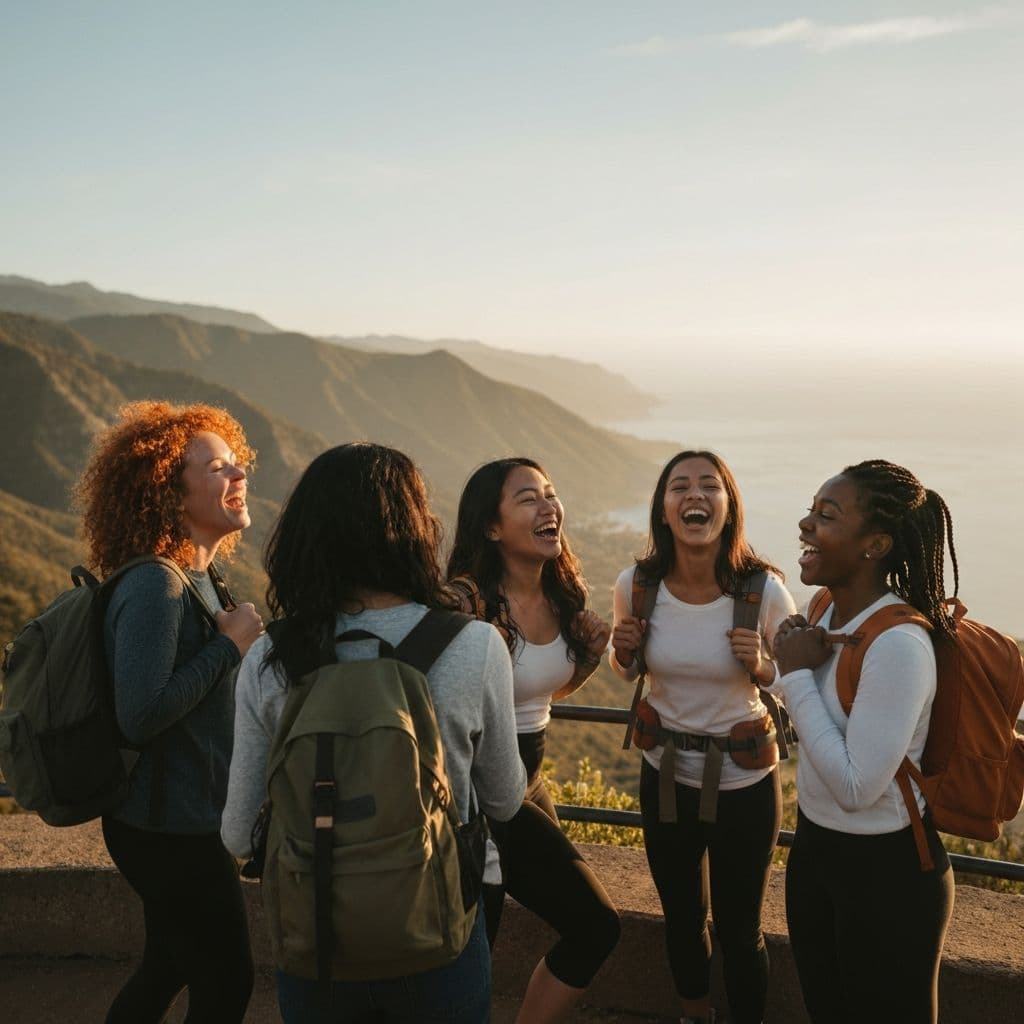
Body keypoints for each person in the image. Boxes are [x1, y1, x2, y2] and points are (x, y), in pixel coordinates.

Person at [221, 442, 526, 1024]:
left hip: (318, 945)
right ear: (414, 530)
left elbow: (238, 834)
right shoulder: (474, 645)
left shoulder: (268, 658)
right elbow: (506, 799)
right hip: (441, 936)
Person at [73, 400, 262, 1024]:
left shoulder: (206, 580)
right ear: (168, 491)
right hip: (166, 829)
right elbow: (141, 713)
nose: (238, 475)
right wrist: (228, 647)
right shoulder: (156, 586)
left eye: (236, 462)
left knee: (170, 965)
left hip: (187, 818)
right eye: (216, 466)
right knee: (229, 983)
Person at [610, 450, 796, 1024]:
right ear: (663, 510)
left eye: (709, 485)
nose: (695, 494)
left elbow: (801, 679)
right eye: (680, 486)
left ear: (728, 506)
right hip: (665, 773)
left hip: (744, 781)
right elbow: (628, 668)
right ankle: (696, 1015)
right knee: (682, 917)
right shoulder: (636, 585)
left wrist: (764, 668)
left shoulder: (760, 591)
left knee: (740, 929)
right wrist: (622, 652)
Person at [771, 459, 956, 1024]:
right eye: (811, 510)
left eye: (826, 516)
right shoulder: (825, 608)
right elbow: (813, 711)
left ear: (875, 544)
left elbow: (856, 785)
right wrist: (782, 670)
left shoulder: (899, 646)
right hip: (817, 851)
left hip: (888, 873)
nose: (806, 525)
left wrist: (795, 674)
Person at [446, 457, 621, 1024]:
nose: (549, 506)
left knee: (575, 930)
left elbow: (543, 691)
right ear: (492, 527)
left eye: (550, 493)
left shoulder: (560, 593)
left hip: (532, 781)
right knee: (480, 943)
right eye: (528, 498)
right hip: (480, 792)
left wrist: (590, 656)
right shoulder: (463, 605)